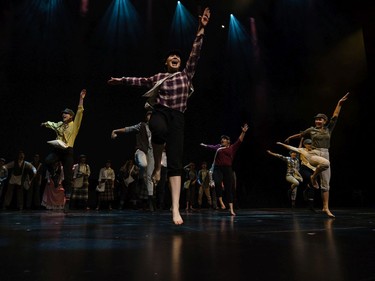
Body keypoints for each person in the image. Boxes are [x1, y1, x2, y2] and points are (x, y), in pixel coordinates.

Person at [107, 7, 211, 225]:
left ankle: (175, 208)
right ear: (166, 62)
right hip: (160, 112)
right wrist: (121, 80)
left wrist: (200, 29)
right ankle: (155, 167)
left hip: (178, 117)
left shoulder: (186, 74)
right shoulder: (160, 76)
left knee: (175, 162)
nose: (175, 57)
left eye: (177, 56)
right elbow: (141, 81)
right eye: (171, 56)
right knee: (158, 128)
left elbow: (196, 52)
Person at [284, 92, 349, 218]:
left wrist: (339, 104)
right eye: (316, 119)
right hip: (314, 154)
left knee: (326, 183)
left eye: (320, 119)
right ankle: (313, 177)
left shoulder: (328, 129)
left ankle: (326, 207)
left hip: (325, 154)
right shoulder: (311, 130)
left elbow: (335, 115)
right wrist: (290, 137)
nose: (317, 121)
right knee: (323, 166)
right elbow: (301, 134)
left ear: (324, 121)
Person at [41, 89, 86, 209]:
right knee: (48, 161)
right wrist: (45, 123)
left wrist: (81, 98)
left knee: (68, 177)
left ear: (71, 116)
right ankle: (55, 176)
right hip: (57, 150)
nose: (63, 115)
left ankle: (68, 199)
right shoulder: (60, 124)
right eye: (63, 114)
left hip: (67, 152)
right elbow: (52, 124)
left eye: (66, 114)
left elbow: (80, 111)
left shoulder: (74, 125)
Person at [200, 123, 249, 216]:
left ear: (228, 141)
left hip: (227, 169)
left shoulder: (232, 148)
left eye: (225, 139)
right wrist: (204, 145)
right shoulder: (218, 147)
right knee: (218, 183)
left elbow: (239, 141)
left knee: (229, 188)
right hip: (218, 169)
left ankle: (231, 209)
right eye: (222, 139)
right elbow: (210, 147)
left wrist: (243, 132)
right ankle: (221, 201)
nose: (223, 140)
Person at [111, 111, 155, 211]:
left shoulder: (156, 128)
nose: (150, 117)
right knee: (143, 164)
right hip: (141, 151)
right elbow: (129, 129)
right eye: (148, 115)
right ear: (146, 117)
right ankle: (140, 175)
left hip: (151, 153)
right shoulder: (142, 125)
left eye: (152, 115)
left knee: (149, 177)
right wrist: (115, 130)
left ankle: (150, 201)